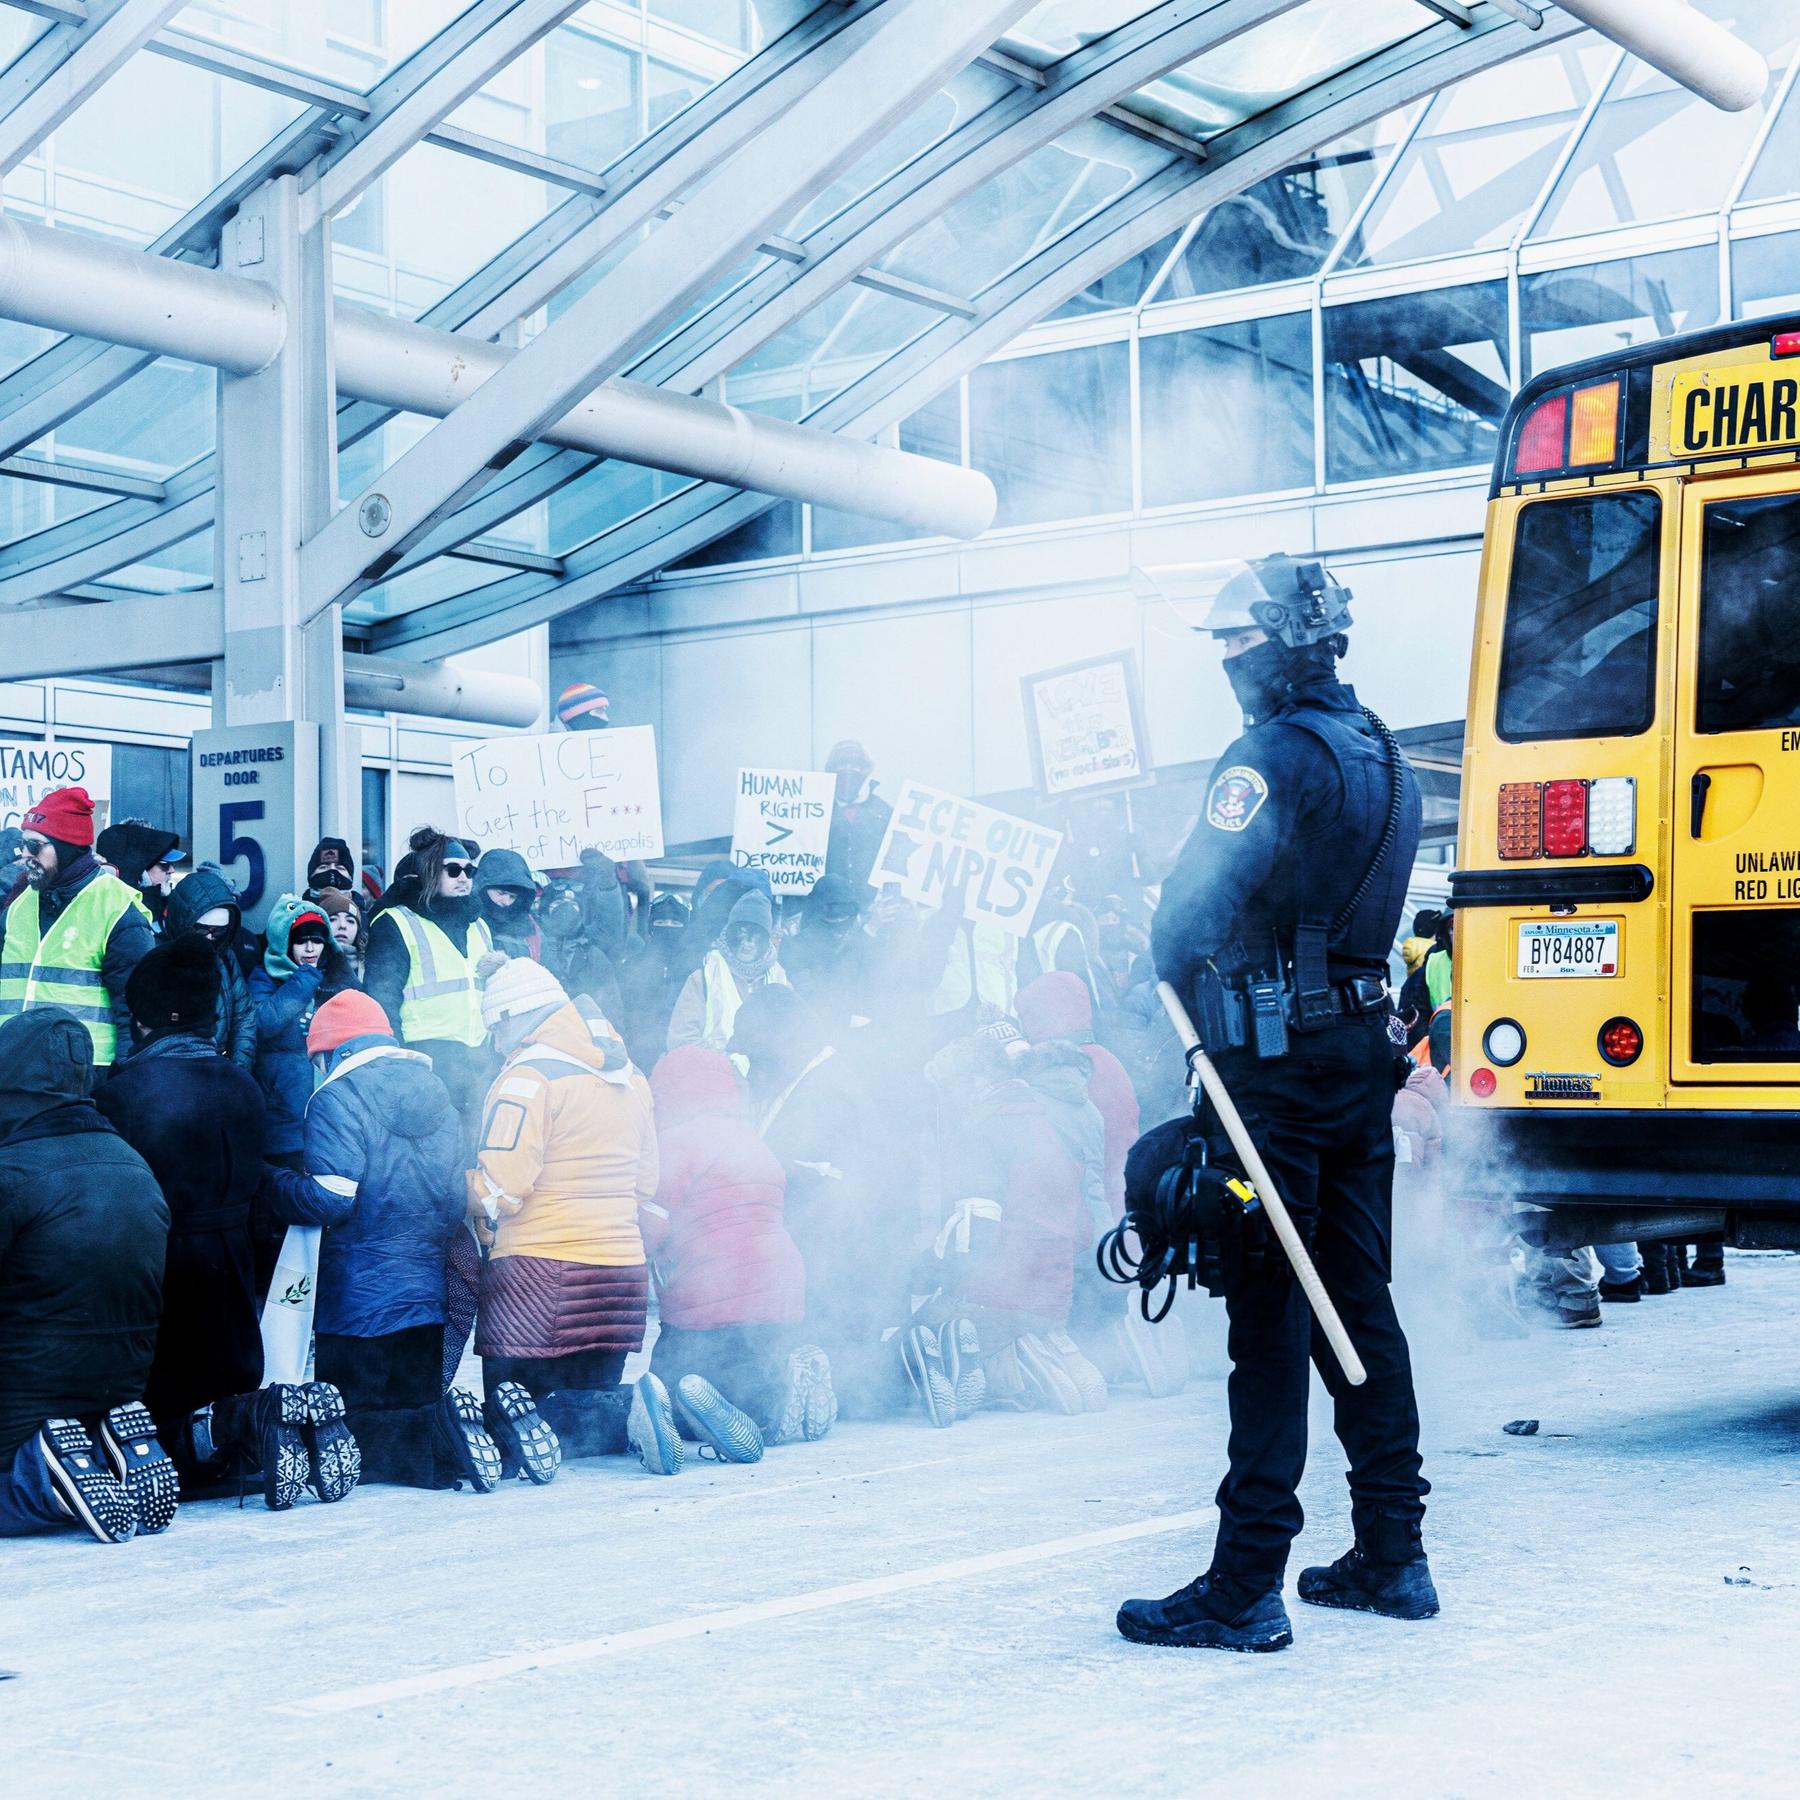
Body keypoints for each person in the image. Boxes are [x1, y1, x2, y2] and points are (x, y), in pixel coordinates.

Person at [1120, 553, 1431, 1654]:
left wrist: (1169, 947)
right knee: (1359, 1303)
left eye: (1237, 643)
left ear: (1286, 641)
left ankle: (1245, 1583)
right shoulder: (1388, 756)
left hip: (1277, 1070)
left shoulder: (1270, 756)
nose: (1227, 663)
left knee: (1270, 1318)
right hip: (1357, 1059)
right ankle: (1394, 1555)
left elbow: (1186, 915)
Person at [96, 937, 359, 1509]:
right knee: (225, 1379)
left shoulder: (123, 1093)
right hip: (233, 1263)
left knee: (163, 1398)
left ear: (143, 1018)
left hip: (163, 1267)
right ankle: (251, 1430)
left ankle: (195, 1452)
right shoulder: (242, 1084)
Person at [263, 991, 503, 1493]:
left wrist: (271, 1182)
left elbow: (332, 1199)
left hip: (356, 1297)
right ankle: (445, 1441)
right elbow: (452, 1199)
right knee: (413, 1406)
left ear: (335, 1050)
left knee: (350, 1425)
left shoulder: (336, 1098)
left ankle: (442, 1439)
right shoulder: (438, 1094)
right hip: (426, 1292)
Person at [469, 960, 677, 1474]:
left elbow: (502, 1189)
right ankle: (635, 1412)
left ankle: (582, 1429)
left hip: (538, 1277)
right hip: (621, 1277)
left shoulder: (528, 1078)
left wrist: (459, 1190)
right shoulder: (632, 1077)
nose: (495, 1043)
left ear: (517, 1016)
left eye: (495, 1027)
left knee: (516, 1417)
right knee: (587, 1426)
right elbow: (645, 1184)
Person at [0, 1008, 175, 1543]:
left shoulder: (12, 1170)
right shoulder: (133, 1164)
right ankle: (107, 1451)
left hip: (27, 1387)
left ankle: (46, 1481)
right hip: (123, 1380)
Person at [912, 1019, 1102, 1423]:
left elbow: (975, 1233)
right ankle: (1042, 1350)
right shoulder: (1049, 1117)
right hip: (1057, 1287)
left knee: (918, 1334)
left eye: (950, 1089)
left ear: (976, 1080)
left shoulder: (984, 1128)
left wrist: (929, 1275)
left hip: (1001, 1293)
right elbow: (1082, 1220)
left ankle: (993, 1363)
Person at [645, 1047, 835, 1448]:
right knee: (751, 1372)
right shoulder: (751, 1138)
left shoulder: (677, 1142)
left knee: (668, 1402)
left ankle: (758, 1414)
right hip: (779, 1288)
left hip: (711, 1294)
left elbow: (650, 1226)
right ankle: (785, 1392)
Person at [0, 787, 154, 1072]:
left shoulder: (116, 907)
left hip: (85, 1075)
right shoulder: (20, 902)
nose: (25, 854)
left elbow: (136, 1011)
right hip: (15, 1067)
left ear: (66, 847)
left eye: (35, 845)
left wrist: (123, 1079)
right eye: (24, 844)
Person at [364, 826, 495, 1126]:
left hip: (478, 1060)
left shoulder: (479, 925)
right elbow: (381, 1001)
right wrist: (397, 1064)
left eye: (469, 871)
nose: (463, 878)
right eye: (453, 870)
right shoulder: (395, 922)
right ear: (429, 872)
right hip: (423, 1058)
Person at [667, 887, 789, 1055]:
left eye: (756, 937)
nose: (748, 944)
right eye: (741, 934)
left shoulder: (781, 980)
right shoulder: (703, 978)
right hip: (712, 1069)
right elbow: (681, 1040)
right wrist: (725, 1059)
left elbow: (795, 1040)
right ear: (729, 933)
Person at [160, 863, 258, 1073]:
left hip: (218, 1068)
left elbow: (244, 1016)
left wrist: (237, 1070)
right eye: (203, 930)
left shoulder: (225, 957)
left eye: (219, 931)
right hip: (173, 1071)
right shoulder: (158, 958)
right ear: (185, 922)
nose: (210, 937)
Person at [823, 739, 892, 897]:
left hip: (873, 904)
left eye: (855, 764)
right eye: (841, 763)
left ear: (864, 770)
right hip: (831, 904)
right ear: (832, 769)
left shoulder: (883, 811)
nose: (848, 770)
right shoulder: (818, 809)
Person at [95, 819, 185, 933]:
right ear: (138, 870)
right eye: (164, 864)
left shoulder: (169, 904)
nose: (172, 870)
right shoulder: (118, 912)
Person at [473, 848, 542, 961]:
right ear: (482, 887)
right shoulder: (468, 922)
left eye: (513, 896)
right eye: (501, 893)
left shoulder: (530, 925)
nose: (506, 902)